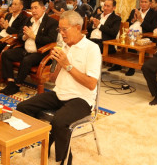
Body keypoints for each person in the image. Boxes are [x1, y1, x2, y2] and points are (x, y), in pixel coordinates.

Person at [17, 10, 101, 165]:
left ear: (77, 28)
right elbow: (54, 79)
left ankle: (65, 160)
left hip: (81, 98)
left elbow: (91, 84)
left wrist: (67, 65)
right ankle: (45, 139)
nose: (61, 33)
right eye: (59, 30)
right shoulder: (65, 46)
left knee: (59, 122)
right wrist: (57, 63)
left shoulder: (92, 48)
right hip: (59, 93)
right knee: (23, 107)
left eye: (64, 29)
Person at [0, 0, 58, 95]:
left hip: (40, 52)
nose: (33, 11)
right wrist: (24, 36)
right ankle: (10, 82)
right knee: (6, 54)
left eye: (36, 8)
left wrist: (34, 36)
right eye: (32, 8)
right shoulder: (28, 20)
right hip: (25, 49)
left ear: (43, 8)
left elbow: (51, 40)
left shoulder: (51, 22)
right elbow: (19, 34)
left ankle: (17, 84)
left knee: (27, 60)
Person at [109, 0, 157, 76]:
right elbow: (128, 22)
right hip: (130, 31)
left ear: (150, 4)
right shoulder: (134, 11)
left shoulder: (154, 14)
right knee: (119, 38)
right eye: (142, 2)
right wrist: (134, 19)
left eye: (145, 2)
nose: (143, 4)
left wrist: (141, 19)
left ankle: (131, 67)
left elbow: (152, 28)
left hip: (142, 34)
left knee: (132, 39)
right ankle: (118, 64)